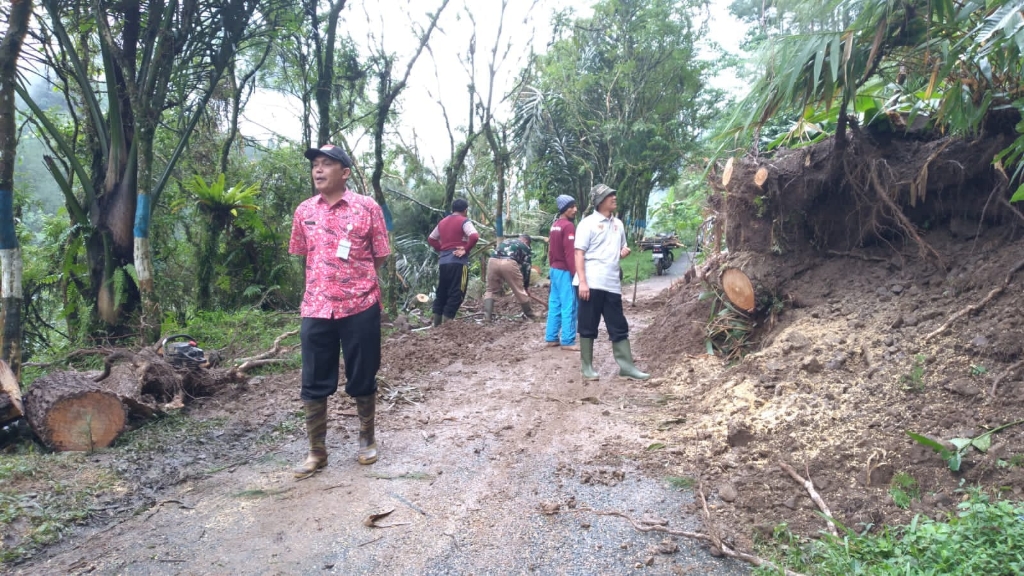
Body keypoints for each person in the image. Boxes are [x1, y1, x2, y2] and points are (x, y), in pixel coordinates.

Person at [288, 144, 391, 479]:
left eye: (327, 164)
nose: (318, 170)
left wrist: (355, 281)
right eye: (316, 165)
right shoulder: (304, 211)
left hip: (360, 304)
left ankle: (366, 438)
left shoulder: (367, 208)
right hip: (317, 306)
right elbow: (303, 253)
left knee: (363, 373)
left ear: (344, 173)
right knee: (314, 378)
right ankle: (317, 451)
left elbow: (380, 254)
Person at [574, 184, 649, 381]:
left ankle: (627, 367)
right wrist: (582, 282)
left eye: (614, 194)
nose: (614, 197)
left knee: (618, 324)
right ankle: (587, 367)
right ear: (600, 201)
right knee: (588, 325)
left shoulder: (619, 224)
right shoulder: (587, 224)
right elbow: (579, 253)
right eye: (610, 196)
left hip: (612, 283)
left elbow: (621, 247)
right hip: (591, 282)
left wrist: (623, 252)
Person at [427, 199, 479, 326]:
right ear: (465, 210)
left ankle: (437, 324)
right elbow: (474, 236)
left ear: (453, 209)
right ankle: (448, 323)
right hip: (458, 262)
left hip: (444, 262)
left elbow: (431, 238)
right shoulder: (464, 221)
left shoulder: (442, 222)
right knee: (457, 292)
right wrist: (465, 249)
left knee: (442, 291)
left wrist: (443, 249)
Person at [545, 194, 579, 350]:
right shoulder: (568, 226)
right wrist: (575, 273)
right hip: (565, 271)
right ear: (565, 209)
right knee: (569, 305)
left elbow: (551, 250)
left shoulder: (555, 225)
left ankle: (551, 337)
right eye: (572, 207)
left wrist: (551, 268)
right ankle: (568, 340)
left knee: (555, 304)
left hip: (554, 270)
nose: (575, 210)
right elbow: (570, 253)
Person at [483, 234, 537, 322]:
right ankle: (530, 315)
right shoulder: (525, 247)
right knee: (519, 290)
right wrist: (525, 287)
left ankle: (487, 318)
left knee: (490, 290)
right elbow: (526, 268)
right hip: (508, 262)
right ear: (527, 241)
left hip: (492, 261)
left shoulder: (506, 241)